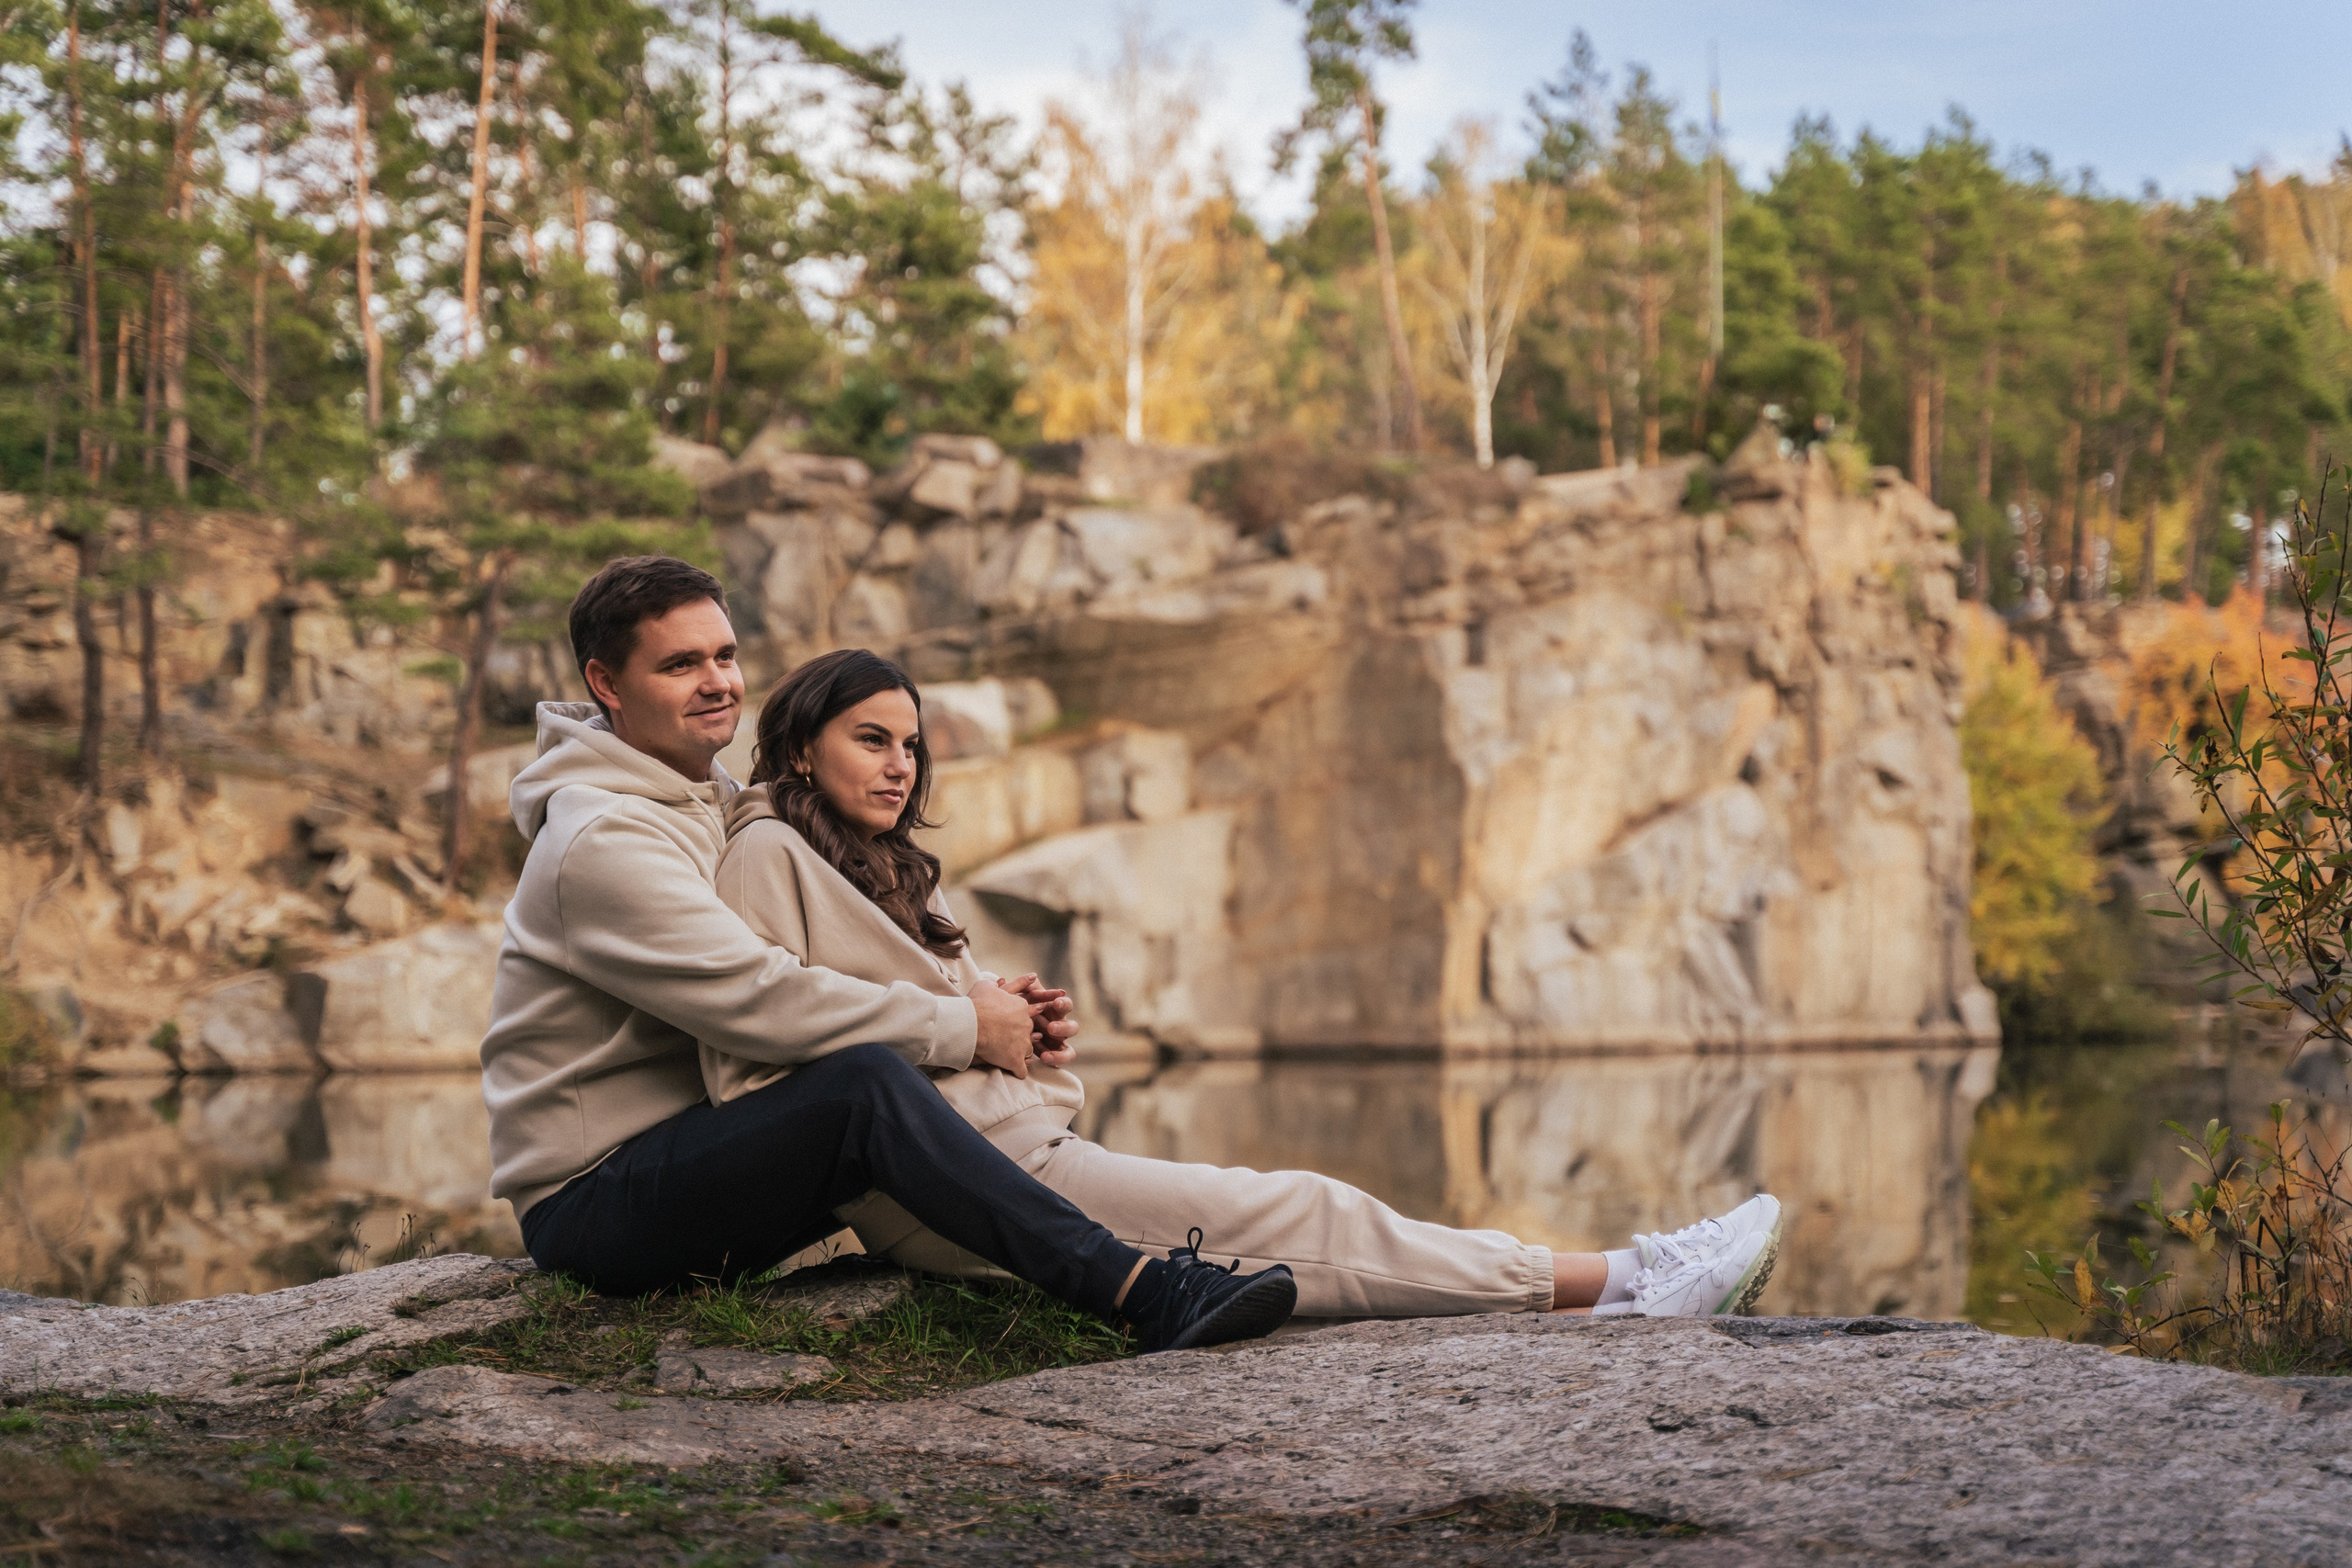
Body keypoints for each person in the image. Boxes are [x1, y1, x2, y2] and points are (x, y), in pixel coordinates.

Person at [701, 645, 1786, 1320]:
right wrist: (961, 1032)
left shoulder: (866, 864)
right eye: (871, 740)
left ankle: (1610, 1283)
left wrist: (1012, 1030)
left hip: (1014, 1157)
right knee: (1306, 1216)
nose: (899, 764)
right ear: (798, 747)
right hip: (953, 1190)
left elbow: (902, 1021)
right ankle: (1628, 1283)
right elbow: (770, 1062)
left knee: (1292, 1217)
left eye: (910, 746)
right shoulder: (768, 856)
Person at [478, 555, 1299, 1354]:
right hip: (597, 1201)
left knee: (870, 1084)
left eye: (725, 655)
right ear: (607, 684)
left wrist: (988, 1001)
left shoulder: (706, 795)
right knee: (861, 1089)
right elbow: (761, 995)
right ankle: (1142, 1293)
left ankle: (1093, 1257)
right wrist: (961, 1026)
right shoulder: (601, 838)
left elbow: (811, 954)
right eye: (680, 663)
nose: (718, 681)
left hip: (701, 1149)